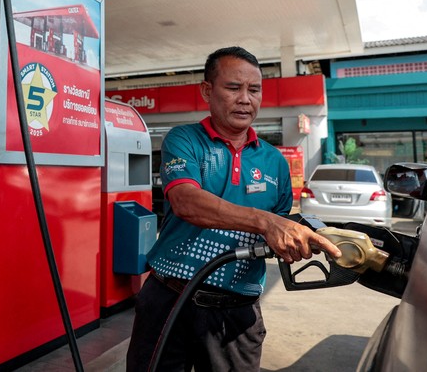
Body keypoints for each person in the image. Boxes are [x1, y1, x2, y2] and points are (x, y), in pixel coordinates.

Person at [126, 46, 342, 372]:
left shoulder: (274, 162)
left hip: (238, 313)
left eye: (254, 90)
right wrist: (265, 223)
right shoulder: (184, 139)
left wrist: (301, 237)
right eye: (233, 88)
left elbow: (279, 227)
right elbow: (185, 200)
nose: (245, 99)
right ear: (207, 91)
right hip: (170, 302)